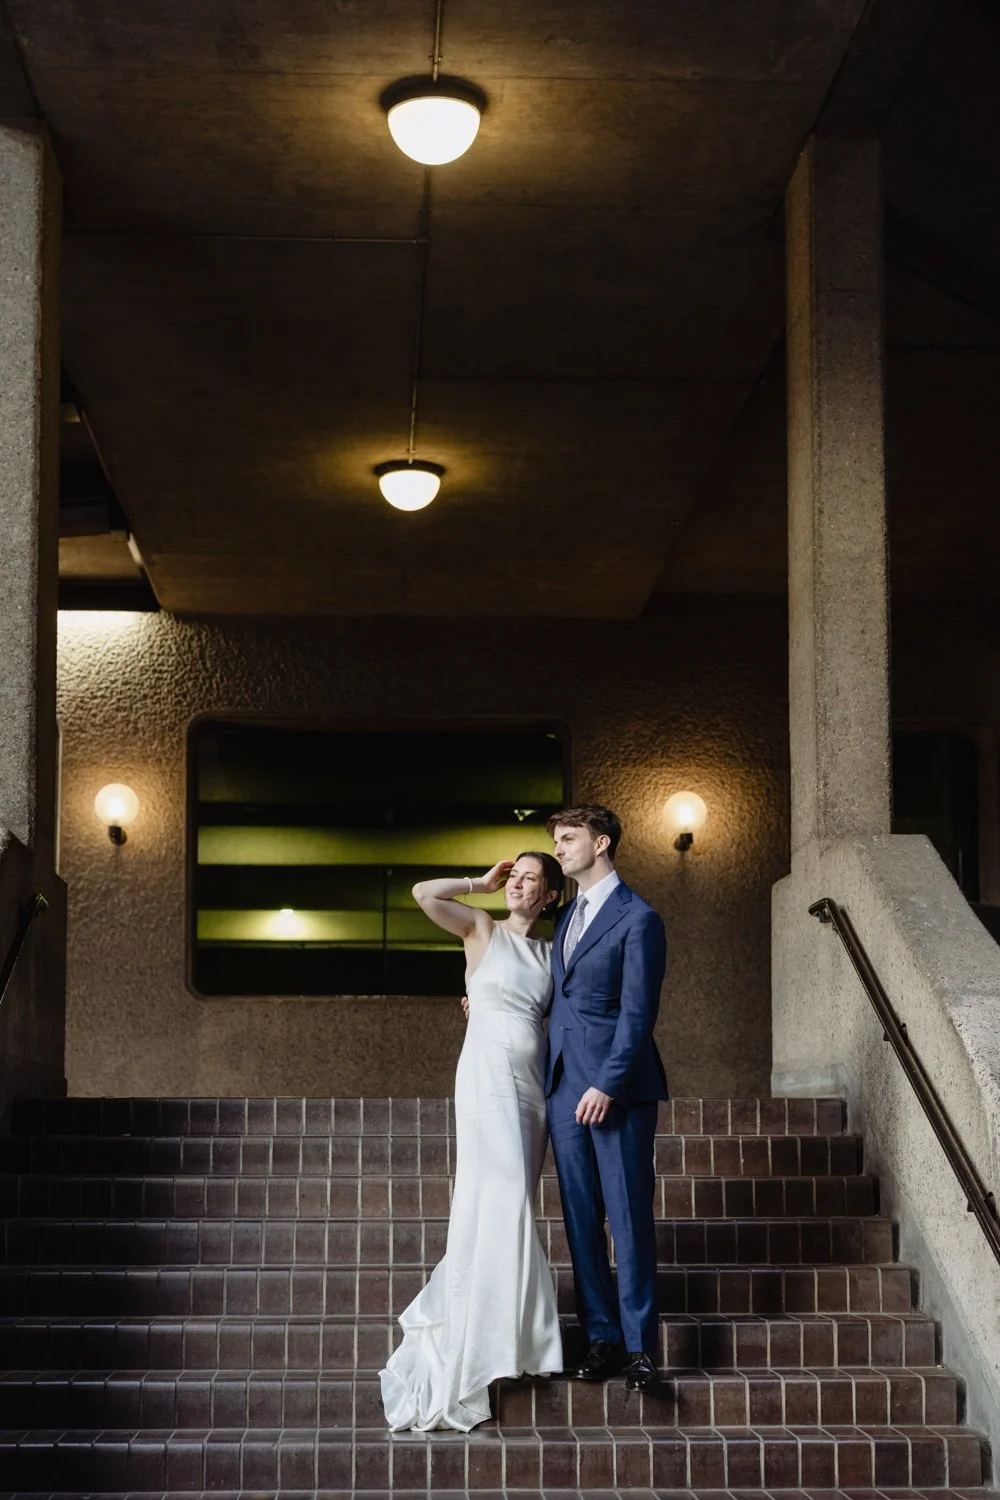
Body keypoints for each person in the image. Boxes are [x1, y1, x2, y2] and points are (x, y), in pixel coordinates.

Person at [379, 851, 565, 1432]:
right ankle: (482, 1343)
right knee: (499, 1196)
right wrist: (477, 883)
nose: (519, 885)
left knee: (515, 1204)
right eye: (516, 876)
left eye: (532, 879)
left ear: (550, 896)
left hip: (533, 1089)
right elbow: (422, 894)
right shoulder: (482, 927)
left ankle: (514, 1338)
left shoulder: (553, 954)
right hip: (485, 1077)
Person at [545, 804, 668, 1392]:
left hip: (616, 1088)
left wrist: (608, 1083)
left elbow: (639, 1014)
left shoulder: (638, 917)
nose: (560, 848)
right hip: (563, 1085)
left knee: (627, 1216)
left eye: (569, 839)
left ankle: (642, 1348)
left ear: (602, 843)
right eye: (557, 840)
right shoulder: (565, 916)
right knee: (579, 1219)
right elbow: (563, 1000)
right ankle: (602, 1338)